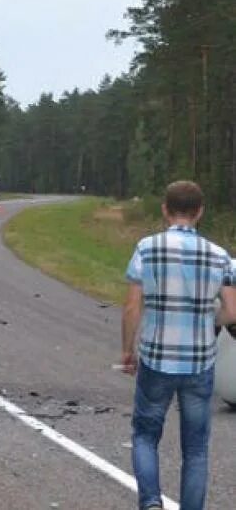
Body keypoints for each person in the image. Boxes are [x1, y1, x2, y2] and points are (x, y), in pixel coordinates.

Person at [120, 181, 236, 510]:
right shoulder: (221, 257)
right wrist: (209, 322)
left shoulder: (146, 248)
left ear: (165, 210)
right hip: (199, 362)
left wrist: (127, 350)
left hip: (156, 357)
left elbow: (132, 308)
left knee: (145, 434)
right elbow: (232, 311)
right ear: (200, 212)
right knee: (196, 449)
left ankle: (151, 502)